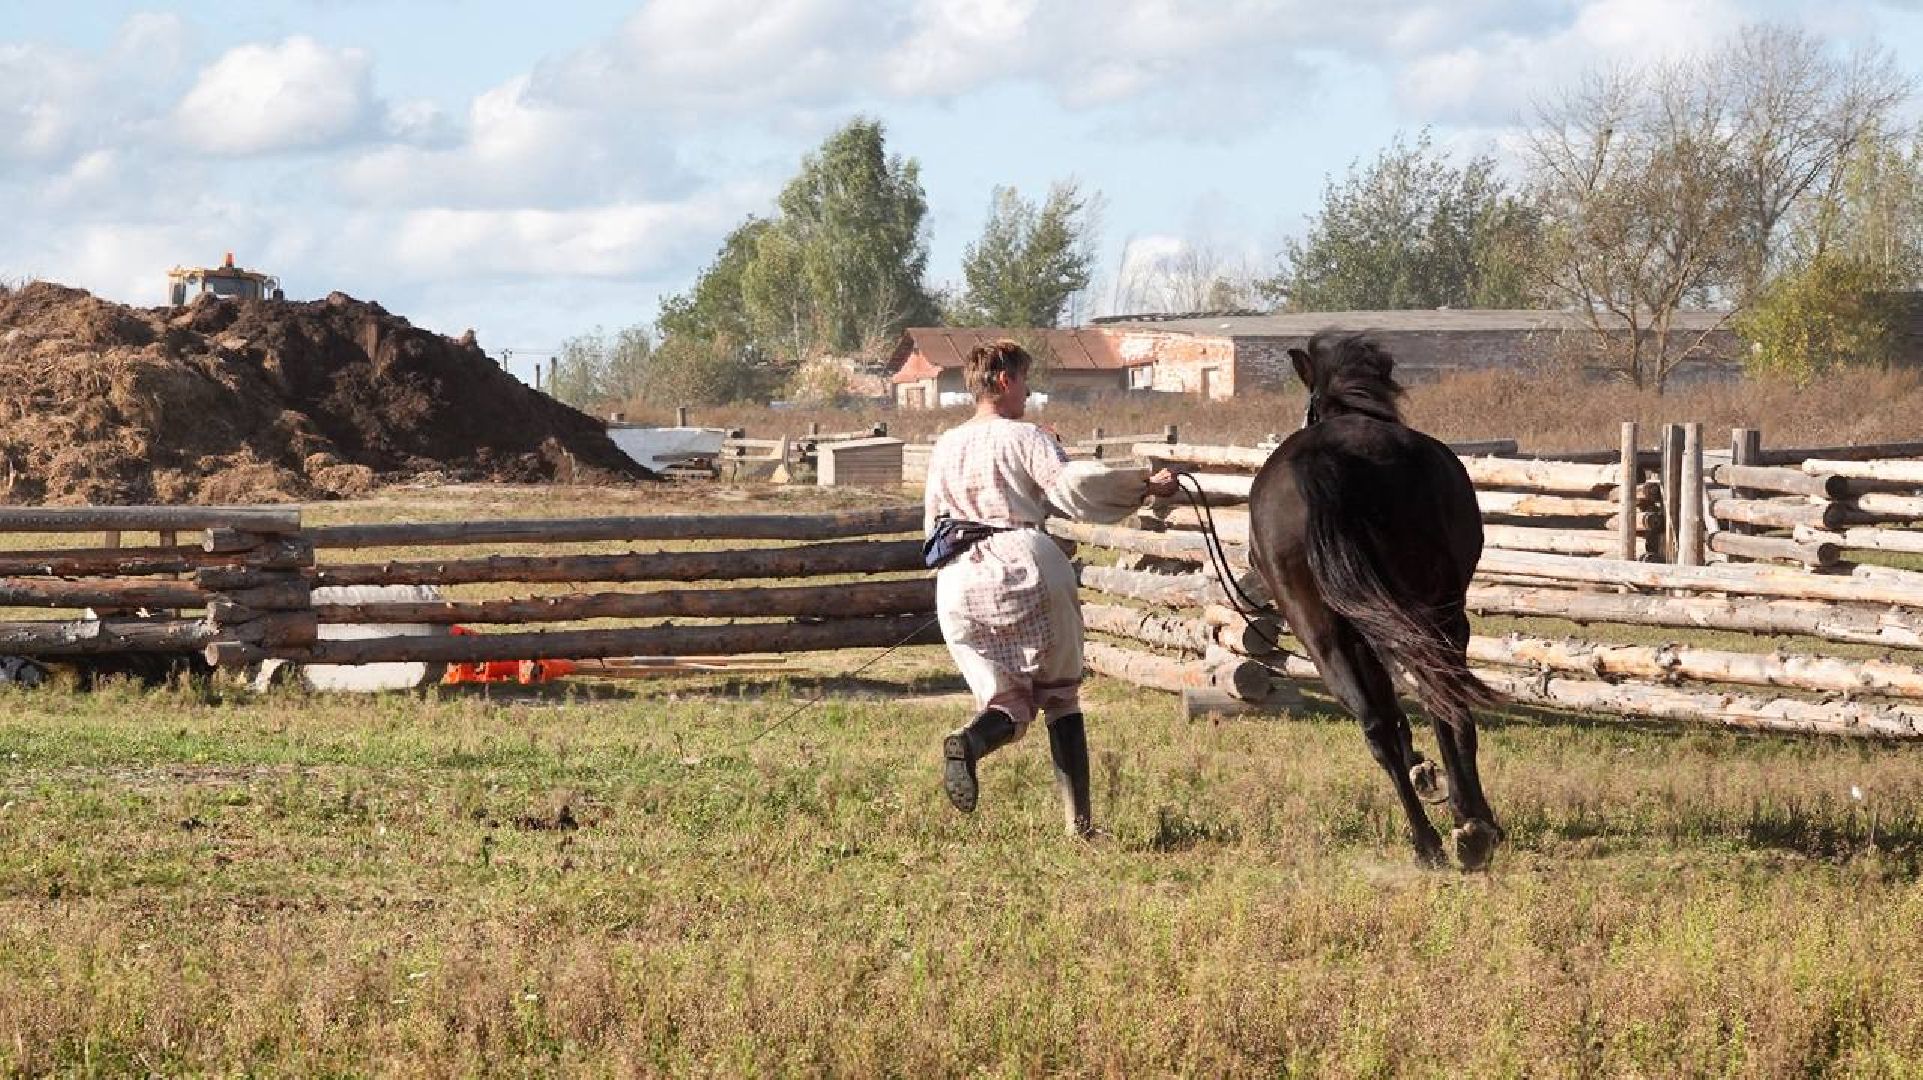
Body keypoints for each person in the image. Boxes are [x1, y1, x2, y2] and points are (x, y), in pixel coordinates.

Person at [923, 339, 1179, 836]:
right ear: (1004, 381)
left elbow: (933, 525)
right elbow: (1073, 487)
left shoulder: (945, 445)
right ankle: (1079, 825)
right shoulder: (1025, 436)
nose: (1027, 392)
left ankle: (972, 742)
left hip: (958, 582)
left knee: (1006, 700)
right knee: (1061, 697)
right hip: (1026, 562)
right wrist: (1145, 484)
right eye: (1023, 381)